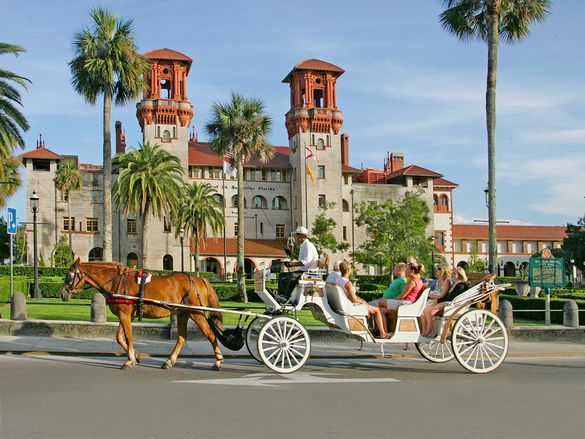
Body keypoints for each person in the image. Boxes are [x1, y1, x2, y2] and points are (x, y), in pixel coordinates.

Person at [335, 261, 388, 338]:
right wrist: (363, 302)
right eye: (350, 269)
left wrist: (361, 300)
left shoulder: (338, 281)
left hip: (346, 304)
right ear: (347, 270)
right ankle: (383, 333)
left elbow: (349, 296)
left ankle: (371, 330)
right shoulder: (347, 283)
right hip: (351, 306)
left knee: (370, 309)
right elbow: (353, 299)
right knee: (377, 310)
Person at [421, 266, 470, 337]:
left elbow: (452, 298)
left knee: (431, 311)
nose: (452, 274)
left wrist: (439, 300)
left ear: (460, 274)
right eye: (453, 273)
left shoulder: (461, 285)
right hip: (449, 303)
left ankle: (429, 331)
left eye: (454, 273)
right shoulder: (456, 284)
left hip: (452, 304)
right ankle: (431, 331)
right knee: (426, 310)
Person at [277, 226, 319, 302]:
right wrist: (291, 254)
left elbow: (306, 261)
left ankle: (287, 296)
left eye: (298, 235)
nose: (296, 237)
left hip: (310, 272)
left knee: (293, 276)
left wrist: (291, 264)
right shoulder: (303, 246)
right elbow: (301, 259)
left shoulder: (308, 246)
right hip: (303, 271)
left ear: (303, 236)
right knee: (282, 275)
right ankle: (281, 295)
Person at [420, 264, 452, 337]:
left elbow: (441, 295)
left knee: (426, 310)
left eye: (437, 270)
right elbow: (436, 291)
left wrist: (429, 295)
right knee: (421, 312)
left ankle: (429, 330)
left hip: (439, 300)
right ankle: (426, 331)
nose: (436, 271)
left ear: (442, 271)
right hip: (433, 299)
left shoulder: (447, 281)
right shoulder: (438, 281)